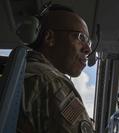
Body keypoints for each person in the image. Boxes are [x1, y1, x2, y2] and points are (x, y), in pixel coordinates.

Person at [16, 4, 94, 133]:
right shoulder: (50, 81)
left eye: (88, 42)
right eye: (80, 37)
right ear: (49, 38)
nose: (88, 49)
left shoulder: (21, 71)